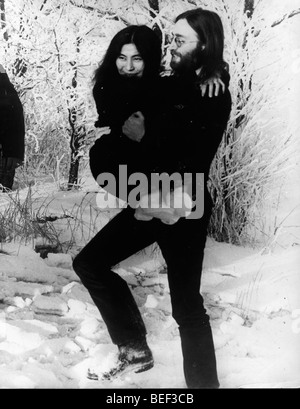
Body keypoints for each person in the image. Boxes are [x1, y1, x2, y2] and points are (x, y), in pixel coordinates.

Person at [73, 8, 231, 389]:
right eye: (171, 38)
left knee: (187, 307)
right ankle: (134, 349)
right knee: (90, 264)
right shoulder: (168, 83)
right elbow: (122, 93)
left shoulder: (213, 93)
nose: (171, 46)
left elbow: (195, 159)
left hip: (183, 204)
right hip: (150, 199)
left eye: (180, 40)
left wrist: (145, 138)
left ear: (205, 44)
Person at [0, 64, 25, 191]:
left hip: (6, 155)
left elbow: (16, 125)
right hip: (8, 154)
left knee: (4, 196)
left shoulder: (7, 93)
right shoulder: (9, 93)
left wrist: (14, 153)